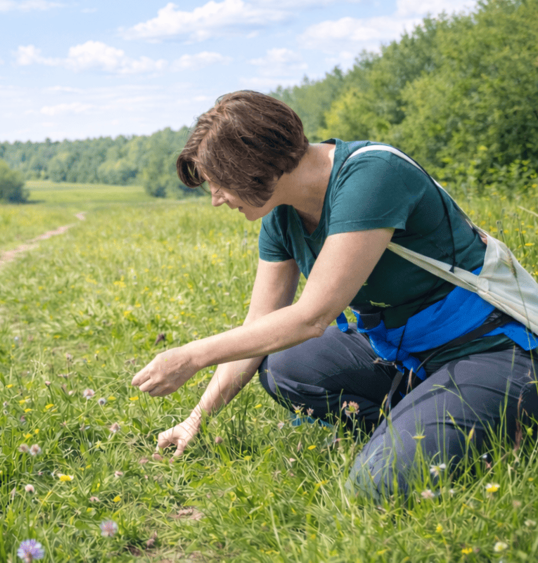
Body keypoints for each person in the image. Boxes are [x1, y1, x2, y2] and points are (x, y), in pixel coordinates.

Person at [131, 90, 538, 499]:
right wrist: (196, 419)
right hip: (407, 354)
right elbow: (259, 325)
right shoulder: (283, 216)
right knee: (282, 364)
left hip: (492, 348)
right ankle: (424, 417)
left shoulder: (373, 175)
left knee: (377, 485)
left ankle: (492, 415)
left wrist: (193, 355)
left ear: (256, 166)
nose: (217, 200)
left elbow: (312, 316)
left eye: (221, 185)